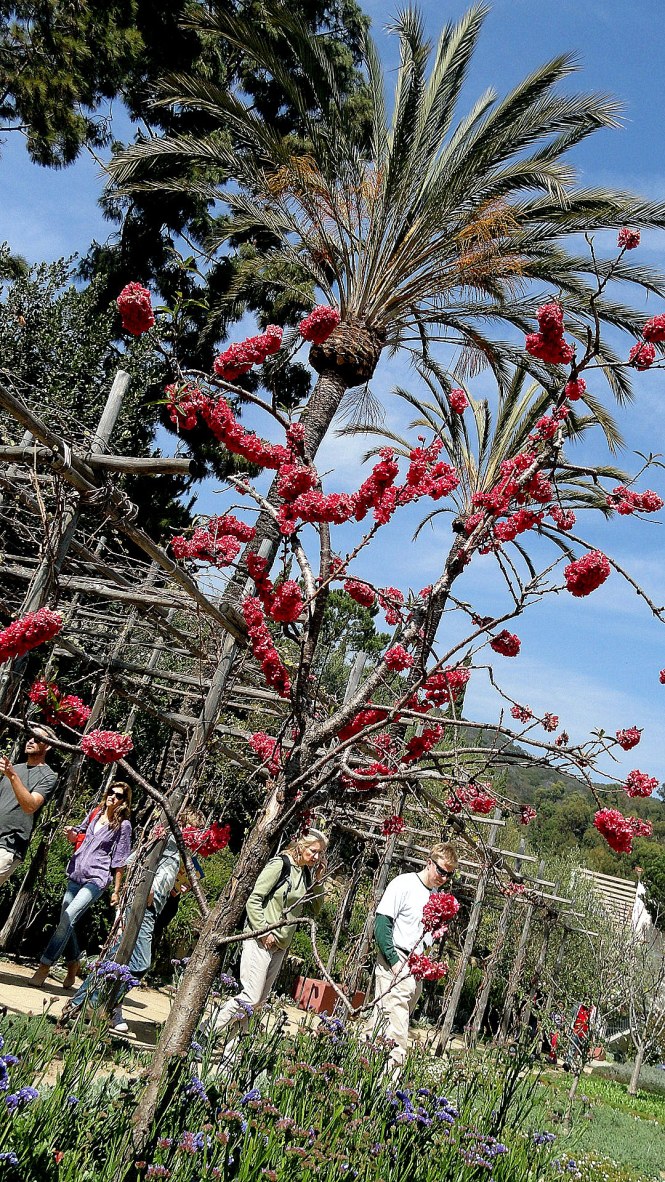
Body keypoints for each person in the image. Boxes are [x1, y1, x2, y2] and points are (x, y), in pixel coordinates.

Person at [204, 829, 328, 1051]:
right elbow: (255, 898)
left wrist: (318, 881)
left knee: (258, 1003)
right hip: (260, 939)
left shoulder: (306, 874)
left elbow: (315, 908)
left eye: (321, 853)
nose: (317, 857)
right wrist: (263, 931)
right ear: (301, 845)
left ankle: (232, 1055)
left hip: (280, 945)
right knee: (251, 996)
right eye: (314, 851)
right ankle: (207, 1030)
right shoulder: (281, 865)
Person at [67, 819, 185, 1032]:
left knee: (115, 956)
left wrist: (171, 892)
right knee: (139, 964)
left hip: (151, 907)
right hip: (143, 905)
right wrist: (146, 889)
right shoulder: (165, 839)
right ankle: (98, 1003)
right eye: (191, 830)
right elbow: (134, 859)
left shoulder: (178, 850)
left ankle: (83, 1003)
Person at [365, 841, 459, 1070]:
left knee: (381, 1016)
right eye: (441, 871)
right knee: (398, 1020)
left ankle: (361, 1063)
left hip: (415, 964)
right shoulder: (404, 884)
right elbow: (382, 923)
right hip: (395, 959)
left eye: (449, 875)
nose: (444, 878)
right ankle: (392, 1076)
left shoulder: (437, 898)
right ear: (429, 862)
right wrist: (394, 962)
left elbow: (427, 936)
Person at [31, 781, 133, 988]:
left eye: (119, 795)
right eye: (111, 792)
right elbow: (79, 832)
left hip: (97, 878)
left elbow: (120, 860)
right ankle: (73, 963)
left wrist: (116, 891)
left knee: (68, 918)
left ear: (124, 801)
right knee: (66, 920)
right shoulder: (95, 813)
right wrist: (71, 834)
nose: (113, 797)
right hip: (76, 872)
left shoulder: (123, 825)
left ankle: (44, 966)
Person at [0, 726, 58, 886]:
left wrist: (12, 776)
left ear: (48, 745)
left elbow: (30, 806)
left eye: (37, 739)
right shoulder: (14, 770)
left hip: (9, 844)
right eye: (29, 737)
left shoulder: (48, 776)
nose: (31, 740)